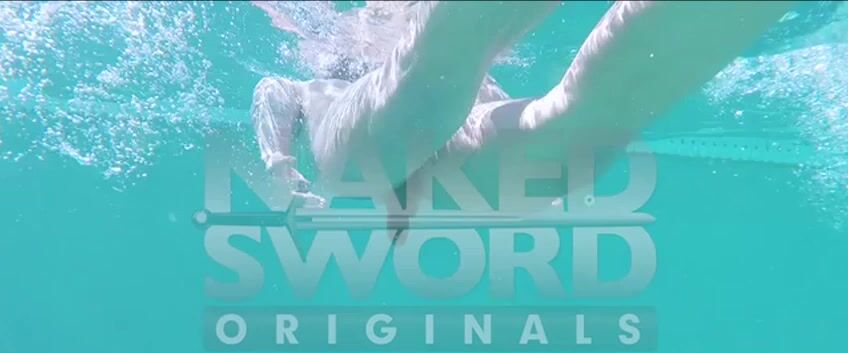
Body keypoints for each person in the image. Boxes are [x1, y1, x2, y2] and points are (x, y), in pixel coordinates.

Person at [251, 1, 795, 223]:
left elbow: (275, 89)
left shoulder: (322, 84)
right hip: (462, 159)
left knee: (425, 84)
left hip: (390, 154)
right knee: (577, 124)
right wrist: (278, 164)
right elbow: (275, 90)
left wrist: (278, 164)